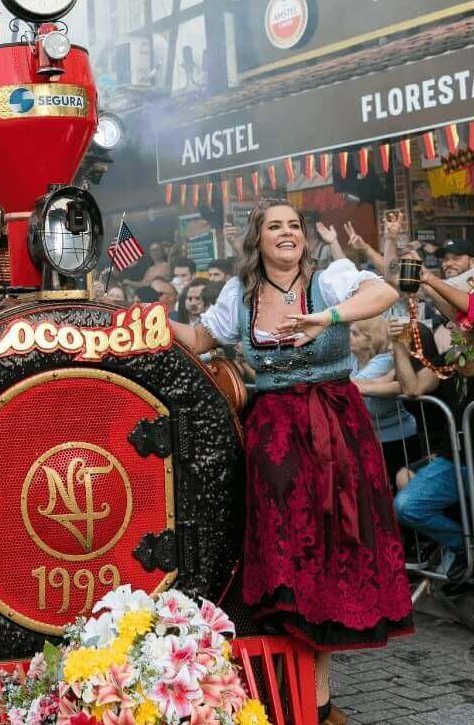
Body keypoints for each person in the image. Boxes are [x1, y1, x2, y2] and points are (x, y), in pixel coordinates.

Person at [170, 198, 410, 725]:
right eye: (274, 226)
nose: (286, 233)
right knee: (288, 551)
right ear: (257, 239)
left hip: (338, 426)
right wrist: (150, 321)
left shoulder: (332, 279)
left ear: (304, 237)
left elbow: (386, 291)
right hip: (276, 433)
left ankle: (318, 696)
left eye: (293, 226)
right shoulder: (240, 294)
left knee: (333, 546)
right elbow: (199, 338)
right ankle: (302, 692)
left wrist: (325, 318)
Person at [389, 317, 471, 584]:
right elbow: (413, 387)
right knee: (407, 506)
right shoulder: (450, 359)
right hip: (455, 458)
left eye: (460, 323)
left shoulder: (465, 358)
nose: (452, 329)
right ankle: (464, 547)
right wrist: (399, 347)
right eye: (453, 325)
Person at [348, 316, 421, 492]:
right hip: (372, 437)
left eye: (355, 333)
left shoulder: (385, 360)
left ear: (370, 338)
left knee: (396, 491)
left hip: (398, 439)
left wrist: (361, 385)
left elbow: (348, 385)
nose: (349, 336)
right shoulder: (353, 360)